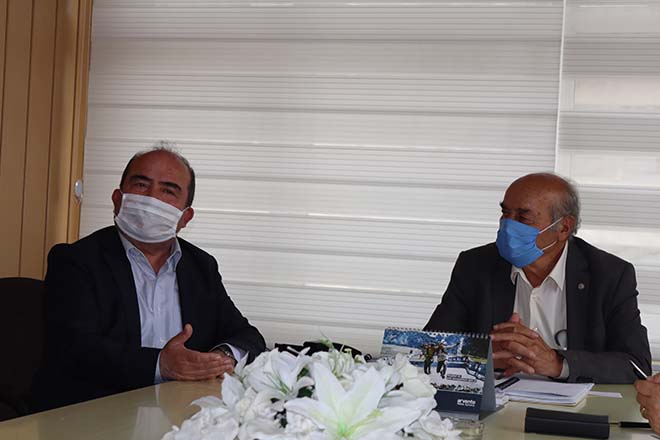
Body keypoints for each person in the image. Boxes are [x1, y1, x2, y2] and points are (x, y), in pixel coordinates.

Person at [32, 145, 266, 411]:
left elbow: (247, 336)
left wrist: (220, 358)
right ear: (117, 199)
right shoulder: (76, 260)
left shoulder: (201, 266)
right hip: (92, 414)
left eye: (168, 190)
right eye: (141, 185)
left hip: (180, 414)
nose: (152, 198)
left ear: (185, 217)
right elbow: (74, 348)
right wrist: (160, 365)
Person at [424, 172, 651, 383]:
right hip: (499, 404)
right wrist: (483, 356)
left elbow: (636, 365)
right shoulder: (476, 265)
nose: (508, 225)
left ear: (564, 228)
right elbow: (427, 348)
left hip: (577, 408)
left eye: (523, 218)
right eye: (505, 213)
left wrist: (558, 364)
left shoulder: (609, 275)